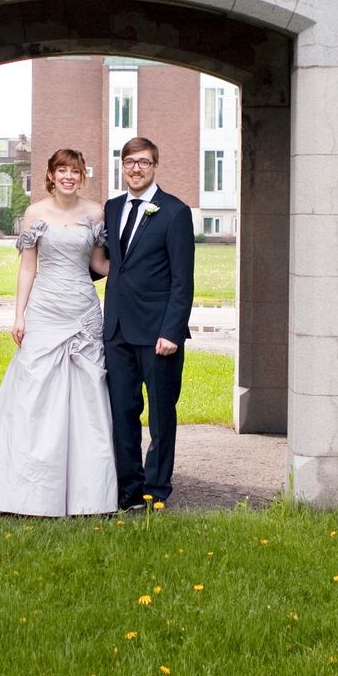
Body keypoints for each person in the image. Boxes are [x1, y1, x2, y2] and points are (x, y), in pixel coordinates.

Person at [0, 149, 118, 516]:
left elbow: (98, 263)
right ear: (50, 175)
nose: (69, 176)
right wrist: (19, 315)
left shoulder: (96, 212)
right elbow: (27, 269)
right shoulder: (35, 213)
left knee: (87, 397)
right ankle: (27, 492)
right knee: (34, 396)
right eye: (62, 170)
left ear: (82, 176)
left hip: (83, 310)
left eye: (75, 170)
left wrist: (136, 271)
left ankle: (88, 495)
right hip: (45, 310)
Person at [102, 137, 195, 511]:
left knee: (160, 415)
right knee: (122, 412)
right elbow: (111, 264)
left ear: (155, 166)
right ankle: (129, 489)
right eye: (128, 162)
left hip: (159, 334)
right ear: (122, 167)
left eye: (142, 162)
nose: (135, 169)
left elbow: (182, 280)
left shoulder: (174, 212)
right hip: (118, 332)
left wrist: (171, 331)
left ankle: (156, 489)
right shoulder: (111, 208)